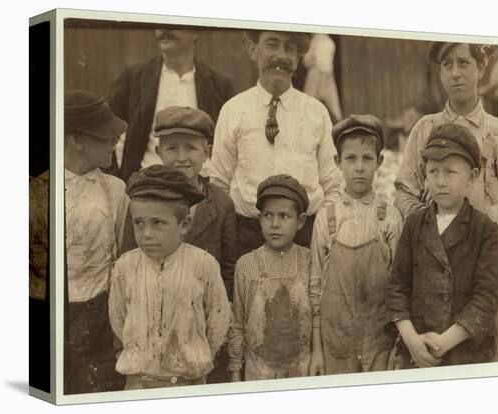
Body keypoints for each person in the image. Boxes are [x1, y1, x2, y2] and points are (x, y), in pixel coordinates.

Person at [210, 30, 342, 257]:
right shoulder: (234, 110)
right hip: (247, 237)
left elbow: (333, 185)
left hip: (304, 236)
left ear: (298, 58)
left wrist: (321, 234)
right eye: (272, 44)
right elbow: (219, 183)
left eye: (290, 48)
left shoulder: (316, 112)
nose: (281, 55)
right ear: (253, 50)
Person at [34, 89, 129, 394]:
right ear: (76, 140)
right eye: (105, 137)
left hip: (101, 313)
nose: (114, 142)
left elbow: (118, 252)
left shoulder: (116, 189)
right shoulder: (38, 190)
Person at [386, 123, 498, 368]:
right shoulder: (414, 224)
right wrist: (412, 341)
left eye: (450, 172)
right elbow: (397, 288)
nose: (440, 181)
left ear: (472, 177)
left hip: (465, 354)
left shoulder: (486, 231)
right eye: (433, 171)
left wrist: (443, 343)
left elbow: (486, 299)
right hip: (415, 353)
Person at [109, 165, 231, 389]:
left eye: (158, 223)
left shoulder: (203, 265)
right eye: (139, 223)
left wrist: (196, 358)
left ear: (184, 225)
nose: (146, 234)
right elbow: (118, 318)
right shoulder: (125, 267)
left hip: (188, 382)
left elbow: (217, 321)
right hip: (139, 382)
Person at [309, 115, 403, 375]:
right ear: (338, 162)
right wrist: (317, 349)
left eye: (367, 158)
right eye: (351, 158)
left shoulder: (390, 218)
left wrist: (398, 345)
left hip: (380, 341)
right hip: (335, 341)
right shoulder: (326, 217)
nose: (359, 167)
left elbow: (400, 286)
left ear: (380, 162)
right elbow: (315, 287)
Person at [120, 106, 237, 300]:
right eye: (172, 148)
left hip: (201, 306)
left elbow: (228, 270)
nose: (182, 158)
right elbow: (128, 259)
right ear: (159, 152)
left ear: (207, 152)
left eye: (191, 148)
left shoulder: (221, 204)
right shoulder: (141, 199)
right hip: (150, 301)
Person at [108, 26, 236, 181]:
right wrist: (115, 180)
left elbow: (229, 144)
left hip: (202, 188)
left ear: (195, 31)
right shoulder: (134, 77)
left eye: (174, 22)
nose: (164, 30)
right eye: (160, 22)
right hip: (146, 187)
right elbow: (106, 130)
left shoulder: (220, 84)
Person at [394, 42, 498, 223]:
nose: (455, 73)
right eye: (448, 65)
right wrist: (430, 224)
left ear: (480, 69)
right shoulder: (425, 129)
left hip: (486, 243)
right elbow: (404, 192)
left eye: (463, 63)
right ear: (440, 73)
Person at [227, 174, 313, 381]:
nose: (275, 224)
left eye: (284, 216)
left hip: (302, 372)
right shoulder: (247, 265)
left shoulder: (309, 261)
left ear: (300, 221)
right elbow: (237, 323)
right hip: (258, 374)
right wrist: (235, 372)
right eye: (268, 215)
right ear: (260, 219)